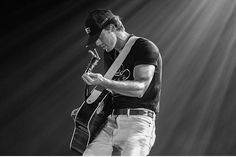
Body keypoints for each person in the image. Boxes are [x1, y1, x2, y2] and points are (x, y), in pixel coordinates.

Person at [81, 9, 162, 156]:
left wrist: (103, 81)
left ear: (111, 28)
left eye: (99, 37)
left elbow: (140, 88)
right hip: (111, 121)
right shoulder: (110, 53)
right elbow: (113, 91)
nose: (98, 43)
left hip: (137, 122)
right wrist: (88, 110)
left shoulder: (144, 47)